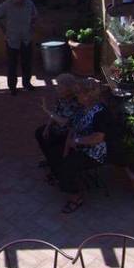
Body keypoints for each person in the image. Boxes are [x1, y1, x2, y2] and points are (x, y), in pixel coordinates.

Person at [46, 78, 110, 214]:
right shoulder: (82, 108)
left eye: (79, 93)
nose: (76, 96)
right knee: (54, 153)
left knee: (67, 165)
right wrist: (66, 148)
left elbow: (98, 138)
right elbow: (72, 128)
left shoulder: (100, 112)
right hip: (79, 145)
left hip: (94, 152)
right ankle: (61, 179)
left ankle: (75, 198)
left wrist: (76, 142)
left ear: (88, 96)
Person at [0, 0, 38, 94]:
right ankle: (12, 87)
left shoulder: (29, 4)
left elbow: (35, 16)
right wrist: (3, 28)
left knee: (27, 63)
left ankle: (27, 84)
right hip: (12, 39)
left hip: (26, 38)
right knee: (12, 65)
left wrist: (31, 26)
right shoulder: (7, 5)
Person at [34, 73, 81, 168]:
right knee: (40, 132)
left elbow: (65, 122)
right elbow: (55, 113)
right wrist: (47, 128)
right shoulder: (61, 98)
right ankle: (49, 158)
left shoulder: (76, 103)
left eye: (60, 87)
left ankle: (55, 163)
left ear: (70, 88)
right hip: (57, 128)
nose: (57, 89)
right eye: (57, 86)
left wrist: (46, 110)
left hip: (68, 133)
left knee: (53, 143)